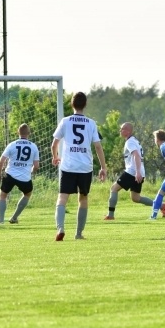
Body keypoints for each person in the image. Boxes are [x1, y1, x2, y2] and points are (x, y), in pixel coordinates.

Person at [51, 91, 107, 241]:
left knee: (62, 198)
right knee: (83, 198)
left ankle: (60, 228)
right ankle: (78, 233)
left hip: (68, 165)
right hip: (85, 166)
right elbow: (98, 146)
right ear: (85, 104)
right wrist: (103, 167)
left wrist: (55, 157)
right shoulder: (91, 123)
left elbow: (54, 144)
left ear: (72, 104)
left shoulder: (65, 121)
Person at [104, 122, 154, 220]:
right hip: (139, 171)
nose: (120, 131)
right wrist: (140, 172)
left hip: (133, 172)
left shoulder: (130, 142)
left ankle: (110, 215)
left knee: (114, 188)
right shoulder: (134, 140)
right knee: (136, 198)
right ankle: (161, 206)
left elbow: (136, 155)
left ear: (127, 131)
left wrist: (137, 172)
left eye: (122, 129)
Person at [0, 123, 40, 224]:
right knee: (27, 194)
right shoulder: (33, 146)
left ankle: (1, 221)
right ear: (29, 133)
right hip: (25, 177)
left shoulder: (12, 144)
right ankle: (14, 217)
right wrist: (32, 172)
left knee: (3, 195)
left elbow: (1, 161)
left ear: (18, 132)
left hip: (10, 174)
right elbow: (36, 165)